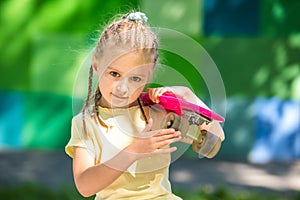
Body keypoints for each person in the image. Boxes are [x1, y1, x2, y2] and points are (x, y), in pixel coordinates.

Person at [65, 11, 225, 200]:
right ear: (96, 64)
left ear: (148, 76)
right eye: (114, 74)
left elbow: (215, 139)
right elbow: (85, 186)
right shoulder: (85, 123)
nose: (123, 88)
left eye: (135, 78)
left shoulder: (157, 113)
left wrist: (186, 95)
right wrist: (132, 151)